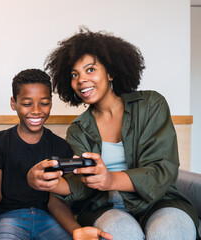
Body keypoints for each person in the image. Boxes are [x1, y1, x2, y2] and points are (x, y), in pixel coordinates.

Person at [27, 27, 200, 240]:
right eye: (74, 74)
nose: (81, 80)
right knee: (122, 233)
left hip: (161, 201)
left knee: (170, 232)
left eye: (90, 69)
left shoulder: (151, 105)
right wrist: (48, 182)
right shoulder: (78, 129)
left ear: (110, 73)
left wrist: (110, 179)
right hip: (106, 206)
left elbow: (161, 170)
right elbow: (81, 187)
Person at [0, 68, 111, 240]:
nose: (36, 110)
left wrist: (75, 229)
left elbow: (55, 201)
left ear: (51, 102)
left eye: (43, 103)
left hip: (49, 218)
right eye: (27, 103)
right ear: (13, 103)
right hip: (8, 218)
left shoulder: (60, 146)